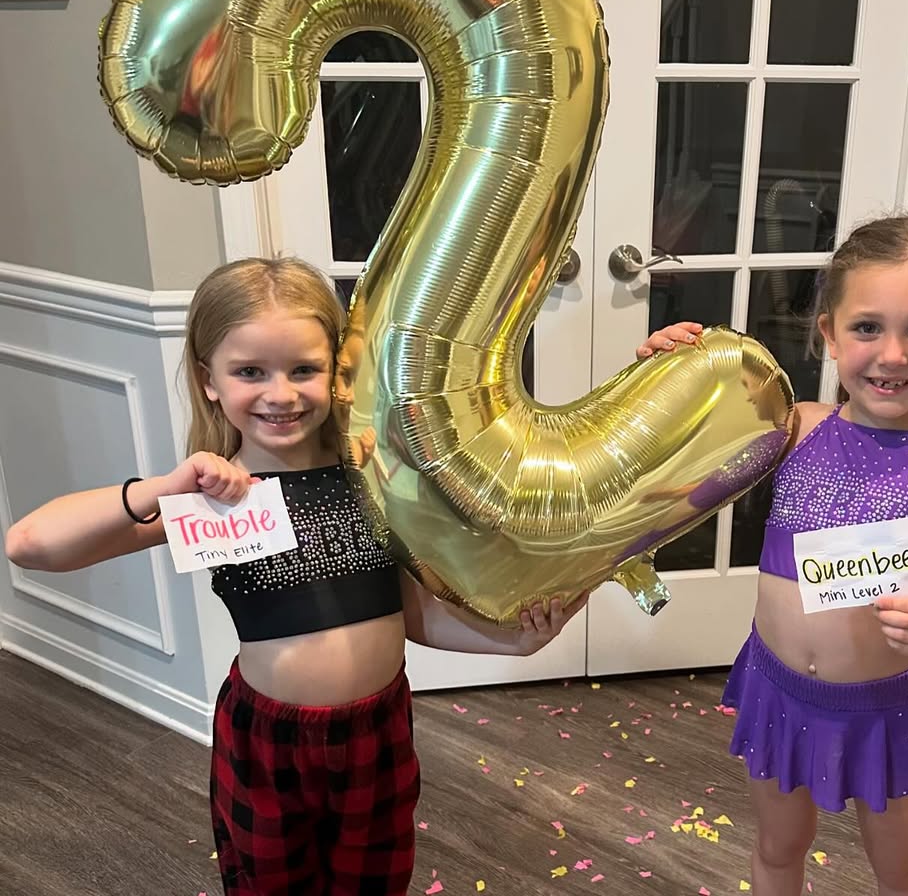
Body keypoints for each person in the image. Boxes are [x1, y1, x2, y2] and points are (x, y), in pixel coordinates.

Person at [5, 257, 585, 896]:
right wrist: (162, 487)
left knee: (375, 883)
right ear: (208, 380)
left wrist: (513, 642)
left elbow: (412, 615)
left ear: (336, 371)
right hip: (268, 744)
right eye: (250, 372)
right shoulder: (207, 500)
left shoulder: (375, 476)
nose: (280, 394)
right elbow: (30, 544)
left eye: (304, 369)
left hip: (378, 732)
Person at [638, 213, 908, 896]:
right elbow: (673, 453)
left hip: (887, 709)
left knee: (898, 867)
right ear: (829, 333)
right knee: (777, 848)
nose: (892, 355)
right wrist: (666, 375)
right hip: (778, 688)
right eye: (867, 327)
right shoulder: (795, 427)